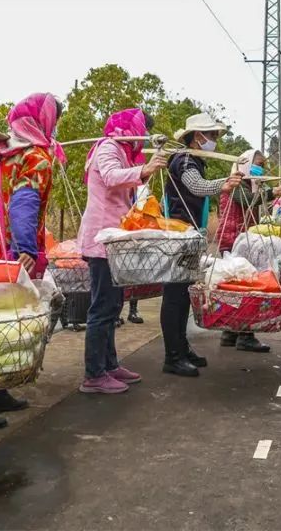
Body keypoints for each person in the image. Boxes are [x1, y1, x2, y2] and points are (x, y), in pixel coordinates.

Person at [0, 92, 64, 433]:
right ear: (43, 122)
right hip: (7, 252)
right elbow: (24, 202)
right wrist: (26, 248)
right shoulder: (35, 157)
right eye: (54, 120)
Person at [77, 108, 167, 394]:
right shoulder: (108, 147)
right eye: (142, 131)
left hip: (114, 240)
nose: (143, 139)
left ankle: (110, 364)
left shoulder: (123, 151)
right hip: (101, 240)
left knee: (114, 305)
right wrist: (145, 169)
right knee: (102, 308)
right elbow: (111, 176)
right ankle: (94, 374)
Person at [160, 113, 242, 377]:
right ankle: (172, 356)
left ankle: (181, 348)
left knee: (184, 293)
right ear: (198, 137)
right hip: (178, 233)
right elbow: (197, 187)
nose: (215, 141)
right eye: (213, 136)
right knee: (174, 295)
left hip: (189, 232)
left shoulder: (191, 159)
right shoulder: (184, 160)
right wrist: (224, 184)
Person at [215, 148, 281, 352]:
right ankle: (246, 335)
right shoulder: (236, 183)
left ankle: (230, 331)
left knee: (235, 286)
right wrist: (273, 192)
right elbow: (247, 200)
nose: (261, 168)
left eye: (263, 165)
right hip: (236, 240)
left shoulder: (247, 183)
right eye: (257, 164)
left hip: (238, 240)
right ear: (246, 164)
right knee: (248, 287)